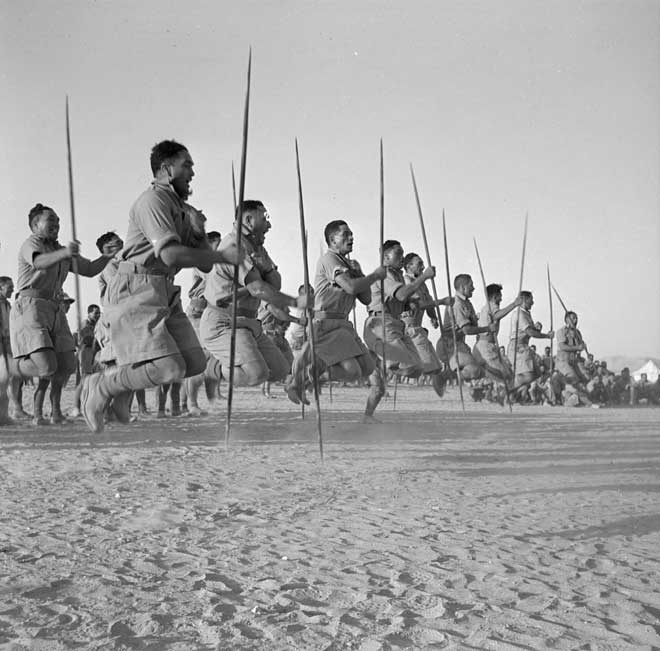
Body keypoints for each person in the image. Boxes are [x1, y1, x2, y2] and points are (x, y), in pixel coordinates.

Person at [80, 140, 244, 433]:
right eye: (187, 165)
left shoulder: (184, 209)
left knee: (194, 363)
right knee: (169, 368)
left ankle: (118, 394)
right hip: (137, 286)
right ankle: (102, 385)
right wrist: (223, 255)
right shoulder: (151, 201)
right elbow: (169, 254)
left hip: (164, 288)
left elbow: (204, 266)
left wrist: (199, 230)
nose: (192, 172)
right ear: (167, 169)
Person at [10, 203, 113, 425]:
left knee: (66, 364)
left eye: (58, 220)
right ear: (36, 225)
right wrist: (65, 252)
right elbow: (38, 261)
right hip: (31, 305)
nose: (56, 223)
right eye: (51, 220)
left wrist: (106, 256)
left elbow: (89, 269)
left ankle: (55, 411)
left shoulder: (60, 250)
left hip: (55, 308)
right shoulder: (32, 243)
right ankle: (10, 369)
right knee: (47, 366)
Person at [200, 200, 310, 391]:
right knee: (256, 373)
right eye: (265, 218)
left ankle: (224, 362)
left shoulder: (257, 247)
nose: (269, 225)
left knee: (280, 370)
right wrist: (295, 302)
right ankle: (209, 367)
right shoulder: (234, 246)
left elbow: (275, 282)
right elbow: (259, 289)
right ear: (249, 220)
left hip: (248, 321)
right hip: (225, 321)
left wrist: (264, 268)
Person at [286, 220, 387, 413]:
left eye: (351, 234)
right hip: (326, 323)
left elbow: (365, 298)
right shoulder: (329, 259)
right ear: (332, 240)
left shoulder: (348, 264)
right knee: (352, 371)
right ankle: (302, 379)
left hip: (343, 324)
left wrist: (360, 273)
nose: (351, 238)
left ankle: (309, 375)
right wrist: (374, 276)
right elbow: (350, 287)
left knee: (366, 367)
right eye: (345, 234)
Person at [182, 228, 223, 416]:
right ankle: (190, 403)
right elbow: (214, 279)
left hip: (210, 311)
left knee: (209, 357)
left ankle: (189, 401)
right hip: (198, 313)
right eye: (217, 242)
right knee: (200, 358)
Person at [400, 252, 449, 397]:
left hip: (418, 328)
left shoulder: (423, 285)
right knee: (426, 366)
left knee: (435, 367)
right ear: (409, 266)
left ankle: (441, 395)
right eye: (419, 264)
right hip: (409, 328)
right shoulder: (406, 282)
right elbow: (417, 304)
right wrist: (441, 302)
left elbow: (428, 302)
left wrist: (433, 316)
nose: (422, 267)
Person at [438, 274, 498, 384]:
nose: (473, 288)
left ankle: (447, 375)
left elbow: (474, 324)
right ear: (463, 287)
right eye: (471, 285)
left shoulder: (467, 303)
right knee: (474, 370)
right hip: (449, 344)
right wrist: (488, 328)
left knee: (477, 371)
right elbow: (467, 330)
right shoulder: (457, 303)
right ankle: (443, 377)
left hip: (458, 344)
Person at [472, 283, 521, 386]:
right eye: (500, 296)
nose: (501, 299)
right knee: (503, 374)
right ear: (495, 297)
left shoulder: (485, 308)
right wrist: (514, 304)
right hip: (486, 347)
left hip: (484, 346)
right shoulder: (492, 307)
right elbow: (497, 315)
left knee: (506, 373)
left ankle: (493, 389)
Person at [507, 291, 554, 390]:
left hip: (523, 346)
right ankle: (507, 388)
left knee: (536, 373)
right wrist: (547, 336)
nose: (532, 302)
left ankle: (511, 389)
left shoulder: (526, 314)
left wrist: (537, 328)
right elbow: (530, 332)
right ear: (524, 300)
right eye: (531, 299)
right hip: (517, 347)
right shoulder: (520, 314)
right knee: (528, 376)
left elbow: (531, 331)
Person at [70, 304, 101, 417]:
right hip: (85, 353)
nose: (98, 315)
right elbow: (85, 339)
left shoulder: (96, 325)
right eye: (95, 313)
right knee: (83, 381)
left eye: (99, 313)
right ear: (89, 313)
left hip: (94, 354)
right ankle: (76, 407)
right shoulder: (85, 325)